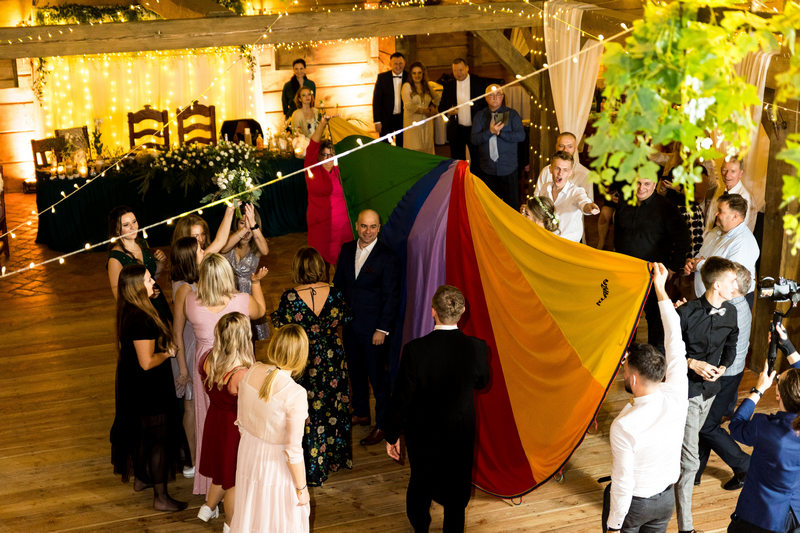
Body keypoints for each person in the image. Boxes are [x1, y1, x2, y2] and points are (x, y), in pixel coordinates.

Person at [385, 285, 490, 533]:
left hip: (422, 431)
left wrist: (392, 434)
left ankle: (420, 527)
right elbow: (482, 382)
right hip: (460, 430)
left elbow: (402, 397)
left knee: (420, 481)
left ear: (433, 311)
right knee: (457, 490)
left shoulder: (414, 350)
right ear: (462, 311)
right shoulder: (478, 348)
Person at [602, 263, 688, 533]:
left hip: (635, 505)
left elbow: (623, 482)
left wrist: (614, 526)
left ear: (634, 379)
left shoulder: (624, 425)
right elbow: (675, 341)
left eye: (625, 370)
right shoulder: (677, 393)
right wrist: (660, 289)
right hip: (666, 500)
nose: (623, 373)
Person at [184, 253, 267, 496]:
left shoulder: (191, 302)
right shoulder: (241, 301)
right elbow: (260, 311)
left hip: (207, 364)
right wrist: (256, 283)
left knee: (210, 420)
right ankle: (240, 477)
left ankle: (210, 481)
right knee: (242, 418)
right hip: (236, 363)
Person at [272, 247, 354, 486]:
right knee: (334, 405)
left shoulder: (290, 298)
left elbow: (280, 326)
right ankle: (335, 459)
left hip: (303, 357)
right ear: (320, 267)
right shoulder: (335, 293)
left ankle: (312, 466)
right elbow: (346, 318)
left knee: (306, 411)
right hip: (333, 357)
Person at [110, 263, 188, 512]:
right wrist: (168, 353)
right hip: (148, 387)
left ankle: (142, 478)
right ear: (135, 287)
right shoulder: (142, 319)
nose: (153, 281)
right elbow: (146, 362)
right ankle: (161, 496)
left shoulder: (131, 309)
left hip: (134, 383)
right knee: (158, 439)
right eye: (147, 280)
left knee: (142, 432)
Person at [675, 256, 740, 533]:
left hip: (711, 391)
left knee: (684, 449)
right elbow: (664, 352)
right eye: (732, 281)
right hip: (687, 392)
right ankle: (686, 528)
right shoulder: (685, 313)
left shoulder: (732, 312)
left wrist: (722, 368)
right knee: (690, 462)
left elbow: (732, 345)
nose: (737, 286)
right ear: (716, 285)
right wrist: (692, 363)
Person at [231, 324, 311, 532]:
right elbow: (293, 451)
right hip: (276, 465)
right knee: (278, 520)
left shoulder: (251, 370)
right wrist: (302, 488)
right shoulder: (296, 393)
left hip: (249, 453)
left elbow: (241, 422)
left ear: (274, 345)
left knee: (253, 515)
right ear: (301, 355)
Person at [333, 209, 401, 447]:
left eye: (373, 227)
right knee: (356, 372)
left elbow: (392, 297)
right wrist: (337, 317)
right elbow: (339, 286)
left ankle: (382, 424)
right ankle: (361, 412)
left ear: (379, 228)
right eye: (364, 226)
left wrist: (382, 330)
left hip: (375, 331)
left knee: (378, 378)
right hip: (350, 327)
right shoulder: (346, 250)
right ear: (356, 225)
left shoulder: (388, 258)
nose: (368, 231)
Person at [727, 325, 800, 533]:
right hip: (795, 513)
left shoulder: (764, 428)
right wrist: (786, 345)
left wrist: (758, 390)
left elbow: (736, 425)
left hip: (761, 517)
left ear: (778, 395)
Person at [613, 177, 690, 352]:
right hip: (626, 271)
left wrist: (673, 267)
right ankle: (626, 354)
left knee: (655, 319)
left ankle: (655, 357)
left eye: (647, 184)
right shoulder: (625, 200)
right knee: (626, 316)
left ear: (655, 185)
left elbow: (683, 239)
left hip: (653, 273)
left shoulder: (666, 207)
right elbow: (618, 231)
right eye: (638, 183)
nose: (641, 188)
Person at [695, 262, 752, 490]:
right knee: (705, 420)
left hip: (725, 375)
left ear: (734, 285)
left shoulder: (731, 309)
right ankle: (696, 470)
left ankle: (744, 464)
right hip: (730, 373)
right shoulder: (739, 304)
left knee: (706, 425)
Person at [196, 312, 255, 530]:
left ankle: (207, 508)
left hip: (214, 420)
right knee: (234, 480)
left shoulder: (207, 359)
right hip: (233, 429)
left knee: (222, 471)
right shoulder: (241, 373)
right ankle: (231, 525)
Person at [169, 236, 204, 478]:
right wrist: (182, 369)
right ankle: (192, 461)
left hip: (199, 346)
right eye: (199, 249)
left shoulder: (196, 281)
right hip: (188, 350)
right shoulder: (183, 288)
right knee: (190, 407)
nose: (203, 251)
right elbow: (177, 332)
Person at [684, 193, 760, 305]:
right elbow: (701, 255)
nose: (716, 214)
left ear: (735, 216)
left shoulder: (744, 242)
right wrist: (691, 263)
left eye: (720, 211)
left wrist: (699, 265)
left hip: (729, 304)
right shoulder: (715, 231)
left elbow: (730, 277)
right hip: (707, 300)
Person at [107, 206, 171, 322]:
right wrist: (147, 296)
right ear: (117, 230)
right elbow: (119, 298)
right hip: (139, 312)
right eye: (126, 225)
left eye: (134, 221)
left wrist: (160, 261)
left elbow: (153, 276)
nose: (133, 227)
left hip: (158, 302)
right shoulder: (115, 259)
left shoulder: (142, 243)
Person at [304, 114, 353, 265]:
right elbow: (313, 145)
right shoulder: (312, 170)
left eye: (331, 155)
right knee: (319, 268)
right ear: (318, 157)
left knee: (343, 268)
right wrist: (323, 123)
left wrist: (340, 125)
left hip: (343, 230)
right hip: (321, 229)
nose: (328, 158)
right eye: (324, 155)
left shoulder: (341, 171)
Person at [470, 84, 526, 208]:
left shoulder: (512, 114)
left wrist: (500, 133)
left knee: (511, 206)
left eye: (498, 94)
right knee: (490, 206)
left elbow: (521, 136)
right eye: (491, 95)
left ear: (503, 97)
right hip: (487, 168)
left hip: (508, 168)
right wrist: (490, 132)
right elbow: (474, 140)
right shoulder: (480, 116)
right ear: (485, 98)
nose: (495, 98)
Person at [220, 203, 270, 341]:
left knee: (248, 339)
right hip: (228, 295)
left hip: (248, 297)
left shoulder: (257, 246)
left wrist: (252, 224)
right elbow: (223, 248)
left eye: (250, 223)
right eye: (242, 222)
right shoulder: (228, 240)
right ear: (236, 223)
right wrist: (244, 230)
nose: (247, 228)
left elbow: (265, 251)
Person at [539, 151, 600, 242]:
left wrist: (589, 207)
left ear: (570, 172)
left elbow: (584, 203)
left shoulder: (576, 192)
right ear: (550, 169)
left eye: (565, 170)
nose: (560, 173)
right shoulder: (545, 188)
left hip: (568, 244)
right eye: (557, 168)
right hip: (547, 239)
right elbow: (539, 211)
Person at [438, 58, 487, 167]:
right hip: (456, 130)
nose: (458, 73)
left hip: (475, 129)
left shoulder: (479, 83)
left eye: (460, 70)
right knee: (457, 162)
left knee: (478, 160)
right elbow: (441, 107)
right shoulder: (449, 85)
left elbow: (485, 106)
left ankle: (475, 178)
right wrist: (449, 112)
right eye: (455, 71)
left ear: (467, 68)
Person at [535, 132, 593, 201]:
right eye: (561, 146)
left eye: (570, 146)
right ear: (556, 147)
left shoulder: (586, 174)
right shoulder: (546, 170)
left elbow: (588, 202)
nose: (565, 150)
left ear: (575, 149)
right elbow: (537, 197)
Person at [705, 158, 756, 232]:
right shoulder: (720, 190)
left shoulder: (745, 197)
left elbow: (738, 232)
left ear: (741, 173)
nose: (727, 175)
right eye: (725, 170)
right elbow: (710, 221)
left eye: (733, 171)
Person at [401, 62, 440, 154]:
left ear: (423, 74)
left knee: (427, 148)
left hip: (427, 122)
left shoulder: (427, 86)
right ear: (411, 75)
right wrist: (424, 111)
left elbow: (437, 98)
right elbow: (408, 105)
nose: (417, 75)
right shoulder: (407, 86)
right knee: (414, 148)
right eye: (414, 73)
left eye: (419, 73)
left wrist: (433, 107)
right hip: (413, 123)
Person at [171, 205, 237, 255]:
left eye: (203, 234)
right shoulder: (190, 259)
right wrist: (230, 210)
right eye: (195, 236)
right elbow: (220, 241)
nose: (201, 239)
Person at [372, 52, 408, 146]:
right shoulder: (382, 78)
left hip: (404, 118)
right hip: (386, 119)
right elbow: (376, 101)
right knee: (385, 146)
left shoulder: (409, 77)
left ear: (404, 63)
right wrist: (377, 121)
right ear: (390, 64)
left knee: (403, 146)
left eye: (400, 63)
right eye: (395, 64)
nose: (398, 66)